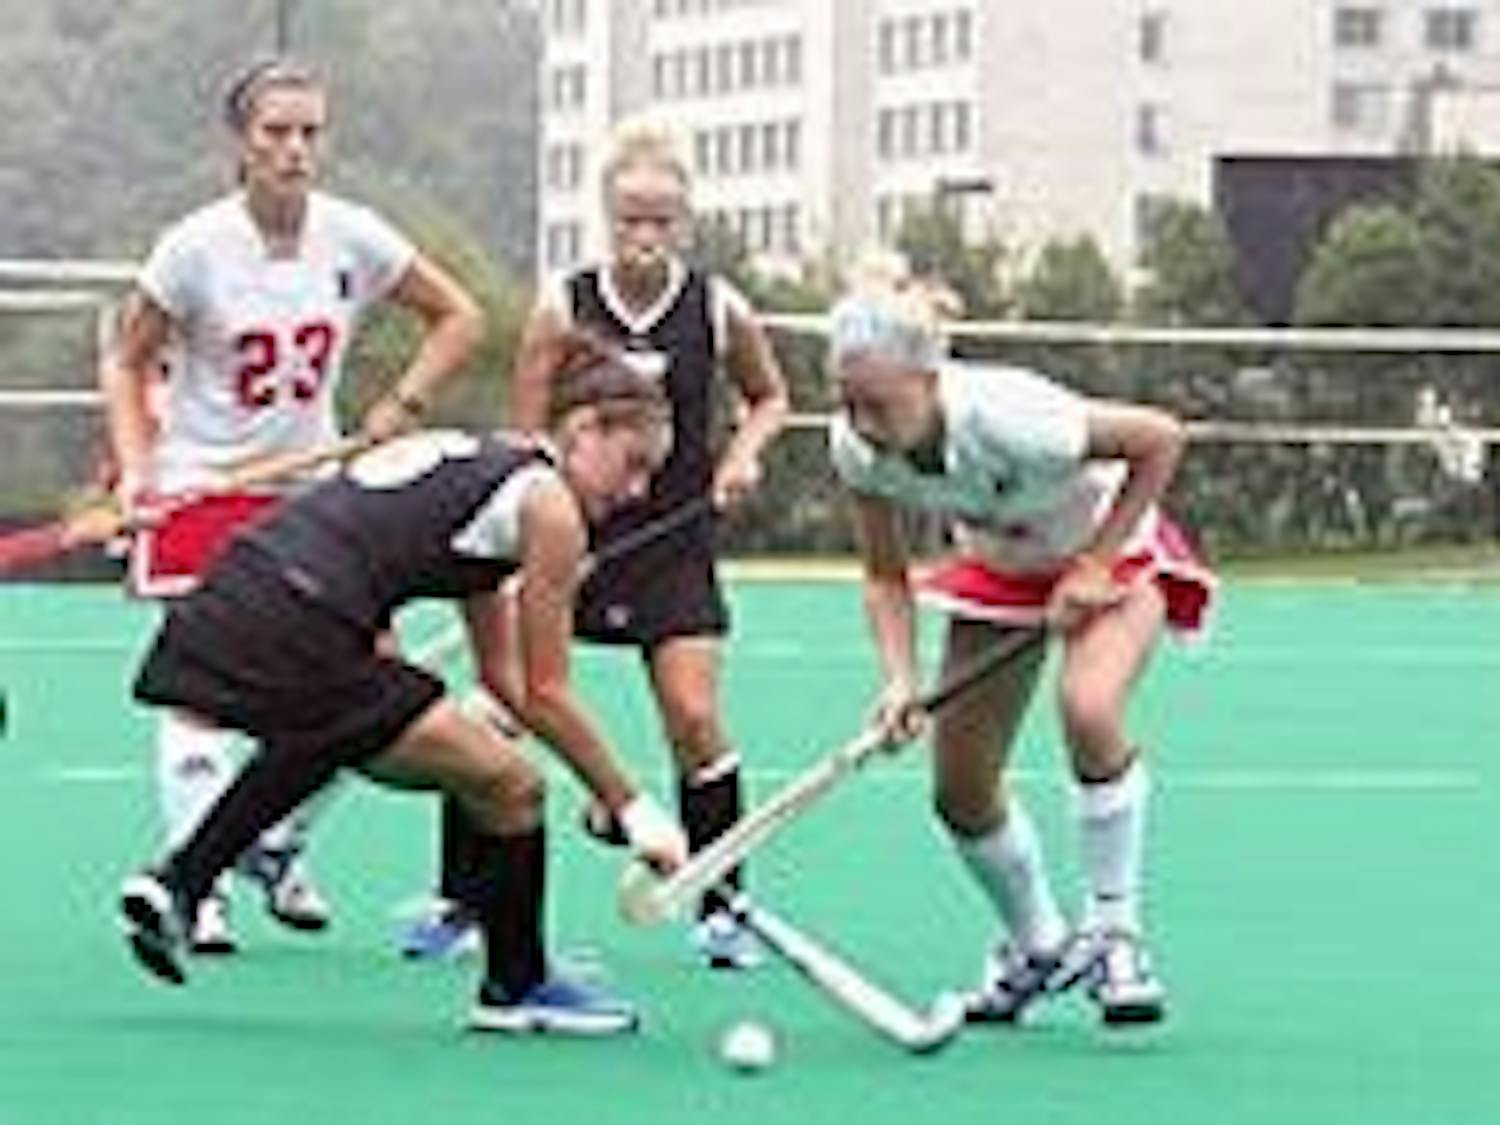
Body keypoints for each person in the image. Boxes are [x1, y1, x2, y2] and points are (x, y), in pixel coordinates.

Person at [118, 332, 688, 1034]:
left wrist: (605, 795)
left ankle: (179, 880)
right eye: (631, 465)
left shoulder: (490, 469)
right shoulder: (552, 511)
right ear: (582, 428)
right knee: (512, 784)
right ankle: (518, 986)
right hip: (306, 613)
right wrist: (635, 809)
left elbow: (502, 679)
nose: (634, 492)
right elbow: (546, 690)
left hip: (239, 587)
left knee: (346, 720)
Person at [100, 58, 482, 953]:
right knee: (198, 699)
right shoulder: (193, 247)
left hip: (312, 496)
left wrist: (405, 404)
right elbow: (128, 358)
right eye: (277, 132)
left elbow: (458, 315)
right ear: (241, 143)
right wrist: (136, 467)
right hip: (204, 487)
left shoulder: (353, 235)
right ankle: (199, 881)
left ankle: (274, 843)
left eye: (311, 131)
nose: (296, 149)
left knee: (364, 684)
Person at [401, 120, 788, 968]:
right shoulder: (563, 303)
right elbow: (530, 429)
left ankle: (722, 902)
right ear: (605, 217)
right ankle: (461, 899)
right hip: (567, 541)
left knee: (693, 717)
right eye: (629, 221)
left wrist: (742, 456)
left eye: (662, 222)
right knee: (499, 705)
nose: (645, 239)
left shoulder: (717, 307)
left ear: (683, 220)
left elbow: (769, 397)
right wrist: (545, 528)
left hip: (674, 539)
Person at [825, 274, 1214, 1027]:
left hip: (1112, 557)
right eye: (850, 403)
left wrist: (1097, 563)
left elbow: (1159, 438)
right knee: (960, 789)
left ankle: (1115, 934)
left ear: (928, 378)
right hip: (1001, 575)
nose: (863, 422)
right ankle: (1040, 944)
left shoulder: (1013, 417)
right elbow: (883, 573)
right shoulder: (857, 450)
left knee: (1089, 706)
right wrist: (899, 679)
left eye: (880, 404)